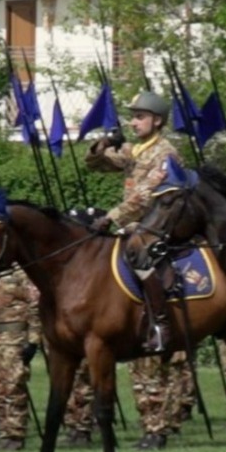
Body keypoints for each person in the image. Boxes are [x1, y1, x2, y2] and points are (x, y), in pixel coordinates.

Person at [85, 90, 181, 353]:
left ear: (157, 121)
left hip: (158, 221)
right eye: (133, 118)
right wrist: (103, 143)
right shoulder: (133, 150)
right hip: (133, 224)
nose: (133, 123)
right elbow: (95, 165)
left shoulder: (166, 154)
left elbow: (145, 195)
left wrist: (111, 217)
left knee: (138, 254)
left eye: (140, 117)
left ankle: (161, 324)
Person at [0, 265, 39, 450]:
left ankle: (15, 435)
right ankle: (4, 431)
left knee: (14, 387)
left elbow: (35, 305)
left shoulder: (23, 275)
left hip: (14, 340)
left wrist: (33, 339)